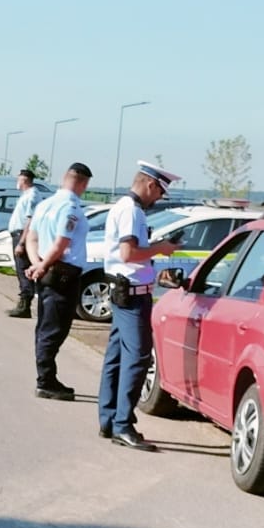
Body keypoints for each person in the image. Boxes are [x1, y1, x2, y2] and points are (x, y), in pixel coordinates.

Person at [93, 160, 182, 451]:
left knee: (117, 358)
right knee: (138, 359)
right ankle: (122, 424)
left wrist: (154, 256)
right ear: (150, 184)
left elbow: (130, 254)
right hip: (132, 295)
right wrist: (161, 248)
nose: (158, 199)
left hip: (126, 291)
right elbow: (129, 253)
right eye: (159, 193)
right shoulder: (131, 211)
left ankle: (109, 420)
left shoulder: (124, 208)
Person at [23, 163, 91, 400]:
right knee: (54, 329)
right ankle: (46, 380)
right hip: (62, 274)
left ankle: (47, 377)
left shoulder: (44, 204)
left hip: (47, 271)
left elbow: (32, 238)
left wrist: (36, 264)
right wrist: (42, 266)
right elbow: (62, 243)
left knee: (45, 325)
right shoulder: (70, 207)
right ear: (83, 183)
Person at [4, 169, 50, 318]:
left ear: (24, 180)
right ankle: (24, 303)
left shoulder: (32, 196)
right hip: (18, 235)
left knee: (23, 269)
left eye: (19, 179)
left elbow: (30, 221)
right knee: (20, 269)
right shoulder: (26, 195)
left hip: (22, 236)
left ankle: (25, 305)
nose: (17, 182)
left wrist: (22, 243)